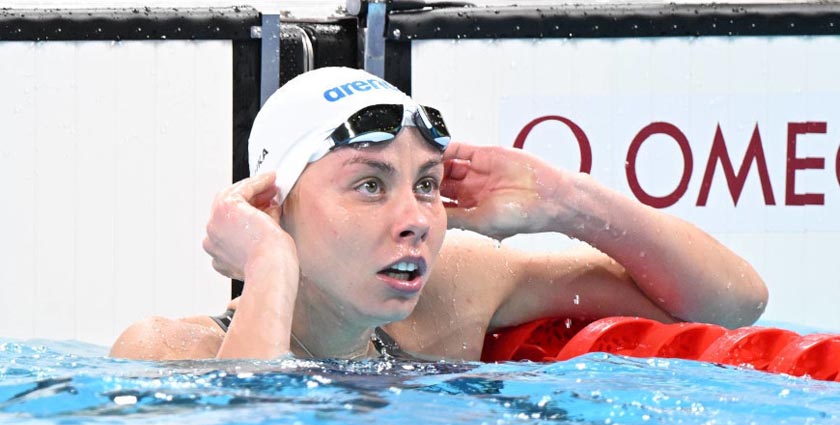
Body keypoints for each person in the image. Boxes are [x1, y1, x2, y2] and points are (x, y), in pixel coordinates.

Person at [110, 67, 768, 361]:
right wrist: (270, 264)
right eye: (370, 185)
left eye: (426, 184)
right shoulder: (166, 352)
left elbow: (731, 306)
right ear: (272, 207)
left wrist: (567, 202)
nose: (417, 218)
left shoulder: (453, 294)